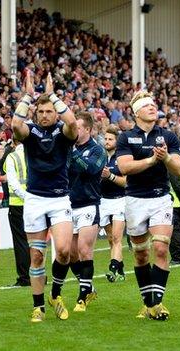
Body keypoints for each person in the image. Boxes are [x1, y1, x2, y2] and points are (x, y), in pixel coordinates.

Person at [12, 71, 78, 322]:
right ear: (35, 113)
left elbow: (72, 123)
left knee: (63, 252)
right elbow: (15, 126)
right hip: (35, 199)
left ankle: (56, 293)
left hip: (60, 198)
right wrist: (28, 96)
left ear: (56, 112)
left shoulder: (64, 132)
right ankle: (38, 306)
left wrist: (52, 95)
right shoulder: (29, 132)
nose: (45, 115)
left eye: (49, 111)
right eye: (41, 112)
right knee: (37, 255)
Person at [116, 90, 180, 321]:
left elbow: (179, 169)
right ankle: (149, 303)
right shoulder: (125, 137)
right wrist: (151, 160)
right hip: (135, 199)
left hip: (161, 198)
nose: (153, 108)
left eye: (154, 105)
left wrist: (165, 158)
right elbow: (124, 168)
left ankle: (156, 303)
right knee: (141, 255)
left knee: (162, 249)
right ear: (136, 113)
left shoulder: (168, 136)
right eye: (147, 106)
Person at [67, 111, 107, 312]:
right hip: (68, 205)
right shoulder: (69, 149)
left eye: (78, 127)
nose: (74, 130)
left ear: (88, 130)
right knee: (70, 254)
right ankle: (88, 286)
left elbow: (91, 170)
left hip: (88, 204)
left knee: (84, 249)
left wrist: (72, 153)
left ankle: (82, 297)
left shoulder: (98, 150)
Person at [99, 126, 128, 283]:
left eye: (111, 139)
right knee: (111, 239)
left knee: (117, 238)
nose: (107, 141)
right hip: (103, 201)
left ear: (117, 141)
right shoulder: (102, 157)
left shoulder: (122, 158)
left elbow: (126, 183)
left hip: (119, 200)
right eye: (106, 138)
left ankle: (112, 269)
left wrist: (110, 176)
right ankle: (121, 271)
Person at [3, 138, 30, 286]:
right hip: (36, 203)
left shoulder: (12, 157)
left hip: (18, 204)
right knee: (36, 241)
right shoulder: (34, 153)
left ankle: (25, 277)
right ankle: (39, 275)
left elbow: (13, 182)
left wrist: (26, 198)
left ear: (14, 143)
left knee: (21, 242)